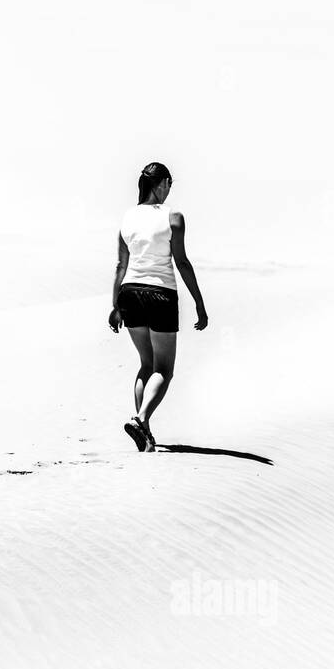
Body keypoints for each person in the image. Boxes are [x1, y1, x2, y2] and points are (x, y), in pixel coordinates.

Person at [108, 162, 208, 452]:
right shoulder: (173, 217)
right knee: (164, 369)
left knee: (146, 365)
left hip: (129, 294)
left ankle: (146, 434)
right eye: (169, 184)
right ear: (161, 183)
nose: (169, 190)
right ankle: (141, 419)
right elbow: (182, 262)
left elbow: (120, 265)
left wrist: (115, 306)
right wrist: (199, 303)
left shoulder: (127, 217)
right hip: (160, 294)